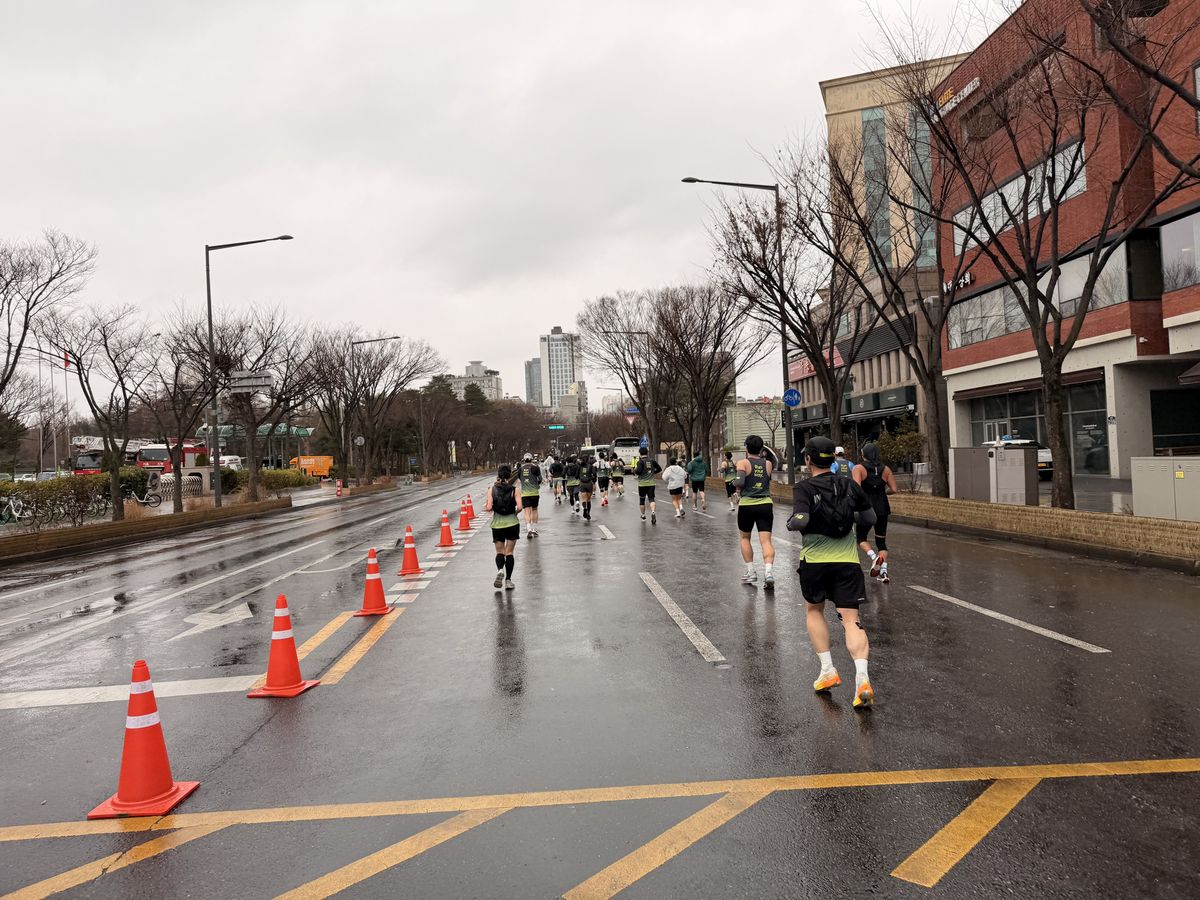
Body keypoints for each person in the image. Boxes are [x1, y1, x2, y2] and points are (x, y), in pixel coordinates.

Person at [786, 436, 878, 708]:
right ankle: (862, 678)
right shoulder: (850, 485)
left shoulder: (803, 487)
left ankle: (828, 670)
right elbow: (870, 518)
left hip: (814, 563)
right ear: (833, 459)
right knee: (851, 620)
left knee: (814, 610)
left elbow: (800, 519)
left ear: (808, 459)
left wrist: (794, 522)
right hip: (847, 562)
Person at [853, 442, 898, 583]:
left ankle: (873, 557)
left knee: (861, 538)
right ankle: (883, 572)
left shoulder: (858, 468)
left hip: (866, 509)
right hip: (883, 508)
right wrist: (882, 492)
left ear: (863, 454)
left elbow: (857, 489)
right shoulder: (886, 469)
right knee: (881, 542)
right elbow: (894, 489)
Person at [735, 435, 776, 588]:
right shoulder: (768, 464)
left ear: (746, 447)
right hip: (765, 503)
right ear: (761, 448)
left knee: (745, 538)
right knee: (766, 541)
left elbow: (739, 482)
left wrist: (735, 484)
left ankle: (751, 572)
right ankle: (769, 572)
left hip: (747, 505)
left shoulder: (743, 462)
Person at [484, 464, 523, 590]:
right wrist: (515, 513)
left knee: (499, 552)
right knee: (509, 552)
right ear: (509, 475)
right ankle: (508, 580)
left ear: (498, 474)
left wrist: (488, 507)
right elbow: (520, 507)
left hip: (497, 524)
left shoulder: (492, 489)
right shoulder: (515, 490)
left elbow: (489, 507)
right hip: (512, 523)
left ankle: (500, 570)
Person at [517, 452, 542, 538]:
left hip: (525, 493)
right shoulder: (535, 468)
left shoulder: (520, 469)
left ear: (524, 460)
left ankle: (529, 529)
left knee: (527, 511)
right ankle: (534, 529)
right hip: (534, 492)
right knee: (534, 510)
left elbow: (519, 478)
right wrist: (536, 483)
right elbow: (540, 479)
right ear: (531, 459)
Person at [634, 446, 661, 524]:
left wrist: (635, 470)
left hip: (642, 484)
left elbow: (638, 471)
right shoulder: (652, 460)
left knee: (642, 500)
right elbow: (659, 469)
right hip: (651, 483)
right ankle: (653, 512)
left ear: (640, 453)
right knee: (651, 499)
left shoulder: (640, 462)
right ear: (647, 452)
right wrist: (653, 472)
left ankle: (643, 515)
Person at [578, 453, 598, 521]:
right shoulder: (591, 466)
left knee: (583, 499)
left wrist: (580, 477)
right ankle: (588, 513)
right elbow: (594, 474)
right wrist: (593, 479)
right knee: (588, 500)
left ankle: (584, 509)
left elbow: (576, 475)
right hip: (589, 483)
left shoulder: (580, 466)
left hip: (582, 483)